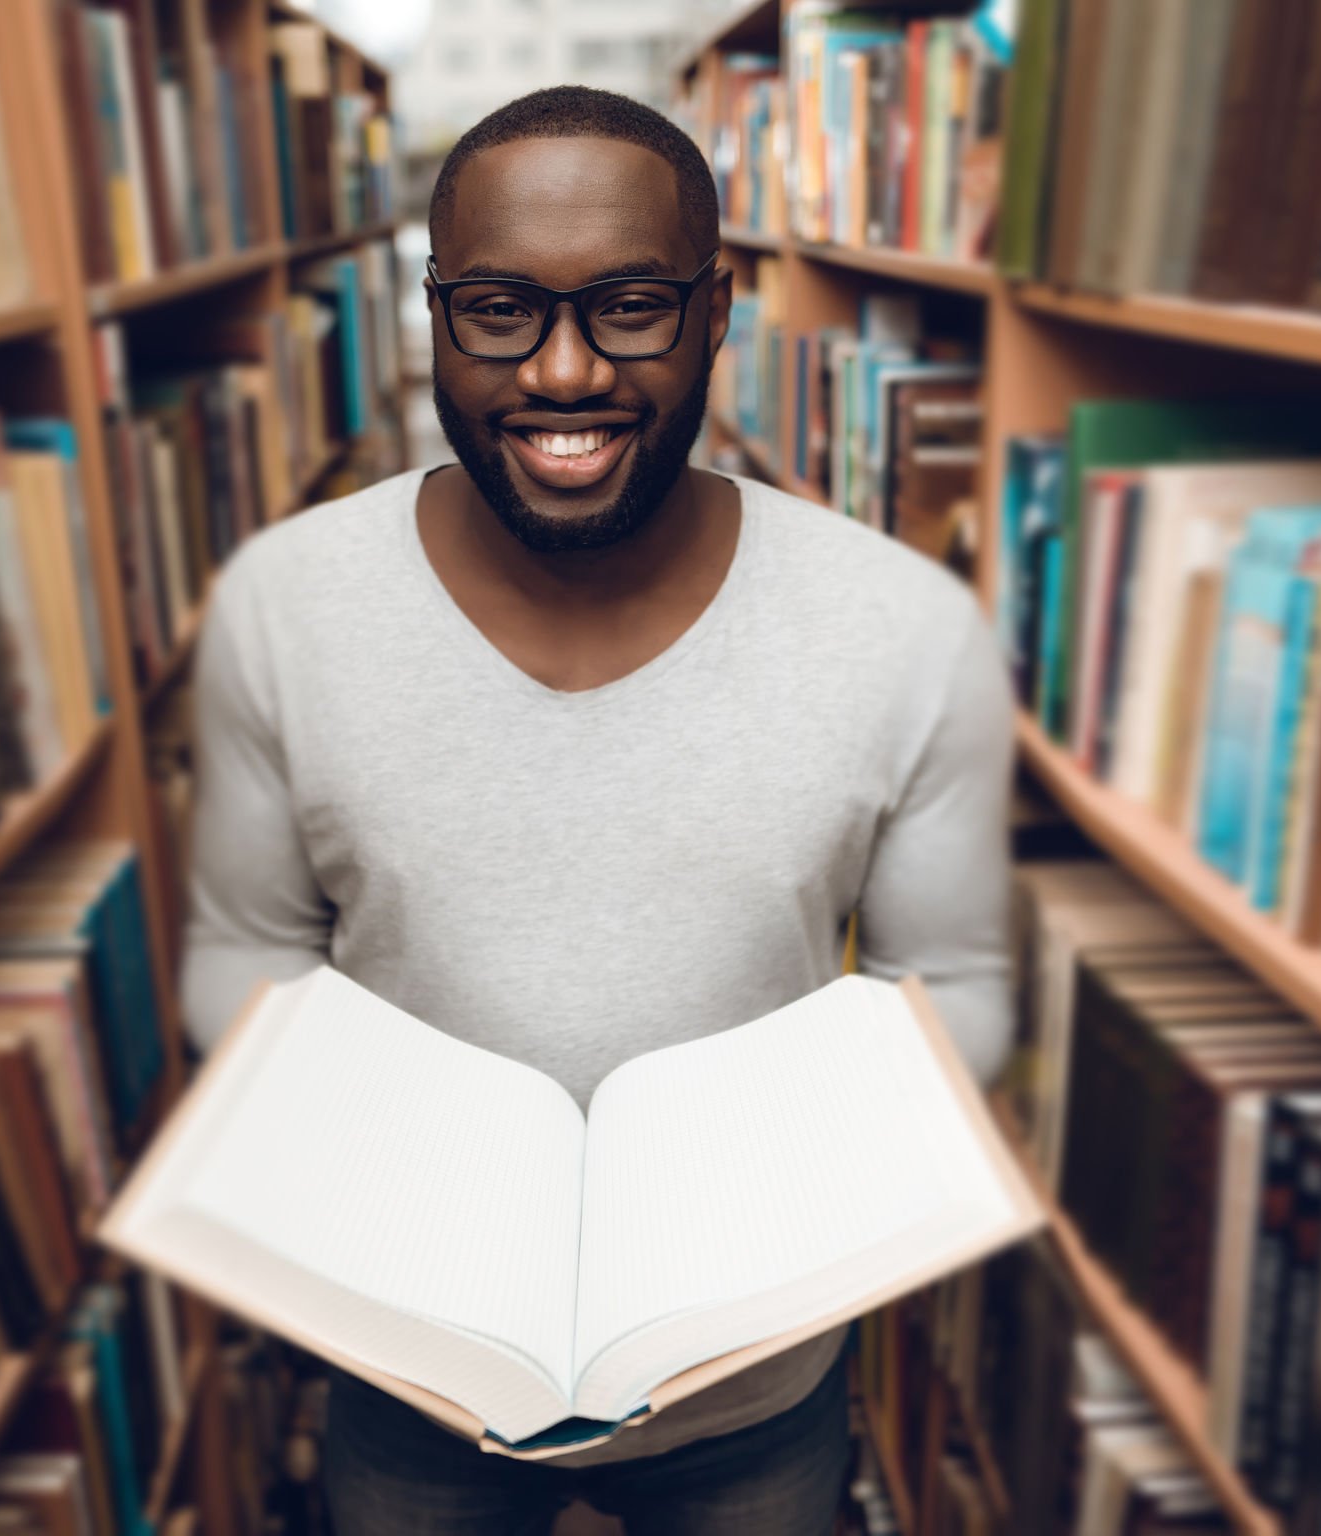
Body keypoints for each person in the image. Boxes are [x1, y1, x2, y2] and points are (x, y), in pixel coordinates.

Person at [178, 84, 1013, 1534]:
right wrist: (364, 1184)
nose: (564, 373)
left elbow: (963, 982)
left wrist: (804, 1202)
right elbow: (239, 948)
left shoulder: (898, 626)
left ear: (717, 310)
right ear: (433, 312)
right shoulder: (283, 607)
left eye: (631, 306)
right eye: (499, 310)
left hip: (755, 1385)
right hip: (410, 1379)